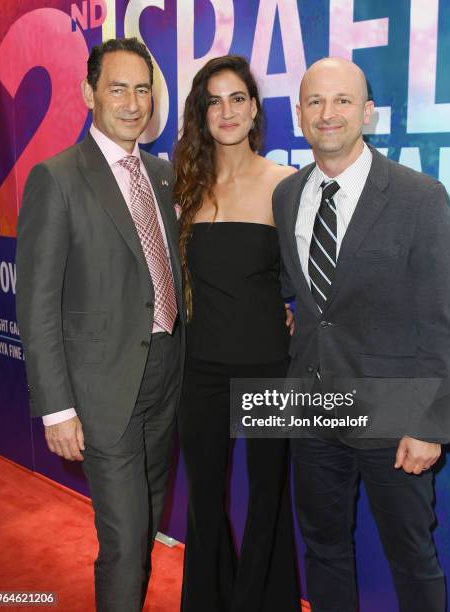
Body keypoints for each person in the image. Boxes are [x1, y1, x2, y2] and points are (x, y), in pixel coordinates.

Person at [273, 56, 450, 612]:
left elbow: (441, 321)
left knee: (411, 556)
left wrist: (428, 425)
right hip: (311, 413)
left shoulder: (419, 197)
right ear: (299, 114)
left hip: (393, 419)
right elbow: (302, 295)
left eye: (343, 101)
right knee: (323, 548)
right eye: (315, 102)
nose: (327, 114)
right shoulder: (287, 197)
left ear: (368, 114)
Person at [16, 38, 183, 612]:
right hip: (101, 393)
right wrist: (57, 408)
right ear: (90, 93)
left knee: (146, 528)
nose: (133, 103)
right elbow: (36, 302)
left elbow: (163, 273)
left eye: (143, 89)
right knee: (125, 540)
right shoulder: (56, 177)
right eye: (118, 88)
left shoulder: (162, 175)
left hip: (165, 381)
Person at [173, 55, 301, 612]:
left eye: (237, 99)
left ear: (254, 110)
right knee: (203, 499)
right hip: (199, 369)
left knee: (268, 498)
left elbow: (309, 278)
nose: (226, 112)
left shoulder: (285, 184)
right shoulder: (185, 187)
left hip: (267, 366)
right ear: (201, 114)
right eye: (213, 101)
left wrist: (292, 310)